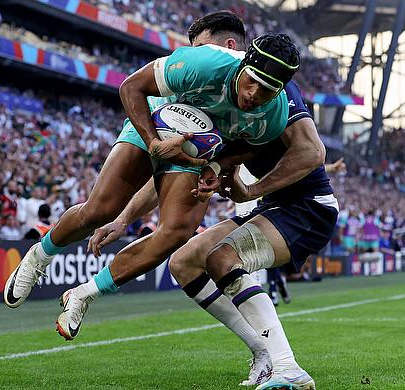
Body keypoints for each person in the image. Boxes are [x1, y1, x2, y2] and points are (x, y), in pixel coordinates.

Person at [87, 12, 332, 389]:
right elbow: (168, 175)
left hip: (307, 206)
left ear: (231, 49)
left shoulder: (277, 88)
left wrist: (251, 189)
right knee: (184, 263)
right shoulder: (215, 99)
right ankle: (262, 353)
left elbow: (312, 152)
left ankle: (287, 368)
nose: (253, 94)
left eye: (202, 49)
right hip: (273, 207)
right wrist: (124, 217)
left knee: (221, 258)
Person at [4, 26, 299, 328]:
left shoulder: (275, 114)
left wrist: (215, 168)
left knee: (176, 233)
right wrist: (153, 141)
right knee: (100, 211)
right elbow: (131, 87)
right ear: (243, 64)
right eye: (252, 82)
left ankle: (83, 294)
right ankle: (40, 255)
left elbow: (249, 146)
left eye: (267, 91)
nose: (254, 95)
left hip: (197, 149)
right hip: (156, 120)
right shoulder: (206, 64)